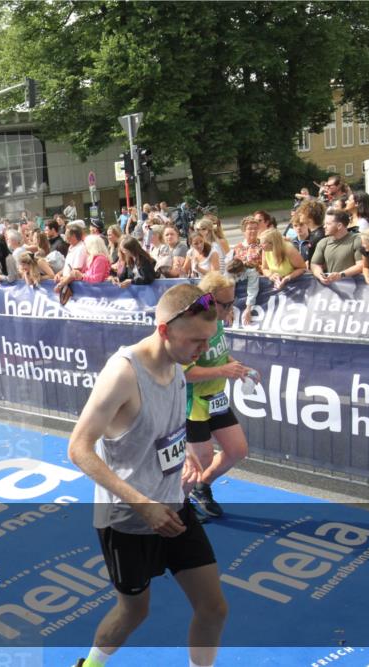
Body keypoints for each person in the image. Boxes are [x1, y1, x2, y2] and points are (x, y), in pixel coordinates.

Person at [68, 284, 226, 667]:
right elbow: (78, 448)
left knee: (213, 608)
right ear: (164, 330)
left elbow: (164, 431)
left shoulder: (179, 366)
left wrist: (186, 454)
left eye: (209, 340)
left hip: (174, 509)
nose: (202, 350)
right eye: (196, 341)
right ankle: (88, 665)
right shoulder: (122, 374)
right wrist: (142, 505)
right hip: (127, 519)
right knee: (133, 613)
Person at [184, 273, 254, 521]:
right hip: (192, 403)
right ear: (209, 301)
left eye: (233, 302)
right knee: (200, 458)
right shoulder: (191, 327)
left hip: (216, 397)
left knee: (237, 450)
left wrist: (238, 367)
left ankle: (200, 488)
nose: (230, 308)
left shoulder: (218, 322)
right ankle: (179, 504)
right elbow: (186, 373)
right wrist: (224, 371)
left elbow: (221, 355)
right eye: (226, 304)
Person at [310, 209, 362, 284]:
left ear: (339, 225)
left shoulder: (357, 240)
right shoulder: (323, 242)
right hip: (332, 289)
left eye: (328, 224)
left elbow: (361, 265)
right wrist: (320, 276)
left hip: (354, 287)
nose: (324, 226)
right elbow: (315, 264)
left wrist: (341, 275)